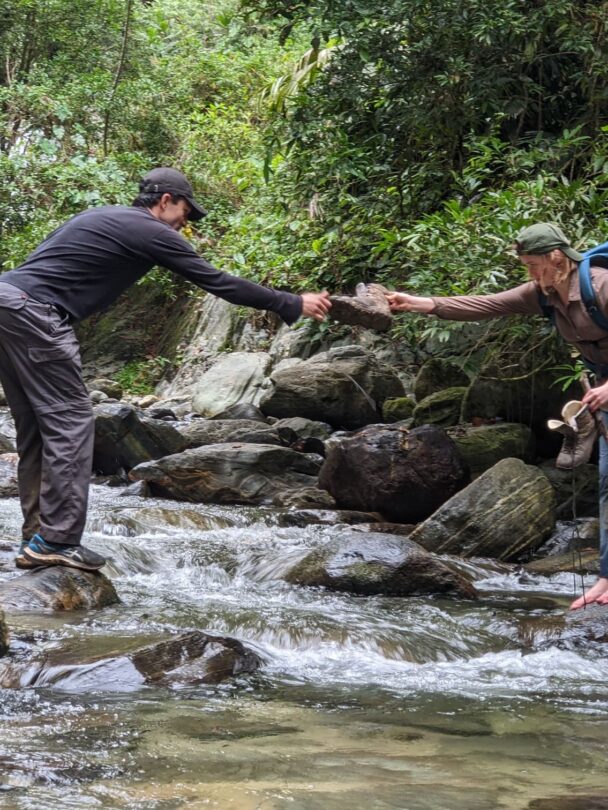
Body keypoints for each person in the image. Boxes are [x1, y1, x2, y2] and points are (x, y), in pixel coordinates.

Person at [0, 167, 331, 572]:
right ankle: (56, 540)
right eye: (186, 214)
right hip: (35, 316)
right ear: (166, 201)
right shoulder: (152, 231)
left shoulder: (100, 217)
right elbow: (216, 281)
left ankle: (34, 538)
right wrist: (290, 303)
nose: (185, 224)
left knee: (36, 427)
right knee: (71, 423)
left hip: (8, 303)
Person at [385, 222, 608, 611]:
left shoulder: (601, 286)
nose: (529, 274)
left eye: (533, 265)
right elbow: (485, 304)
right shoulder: (543, 294)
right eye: (525, 266)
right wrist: (420, 303)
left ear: (556, 258)